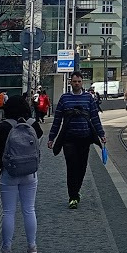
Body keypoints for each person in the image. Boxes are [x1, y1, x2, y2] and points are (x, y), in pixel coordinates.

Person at [0, 95, 42, 253]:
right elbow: (39, 135)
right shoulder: (32, 124)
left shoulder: (3, 126)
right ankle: (32, 246)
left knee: (8, 212)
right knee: (29, 209)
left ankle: (6, 249)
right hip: (29, 172)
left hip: (9, 172)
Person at [47, 73, 104, 209]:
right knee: (72, 167)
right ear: (70, 82)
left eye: (79, 81)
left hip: (85, 138)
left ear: (82, 82)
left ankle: (76, 191)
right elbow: (57, 120)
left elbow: (95, 117)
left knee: (82, 168)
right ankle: (72, 196)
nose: (77, 83)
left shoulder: (88, 98)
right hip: (69, 139)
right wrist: (51, 138)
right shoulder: (64, 98)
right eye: (74, 81)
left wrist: (101, 134)